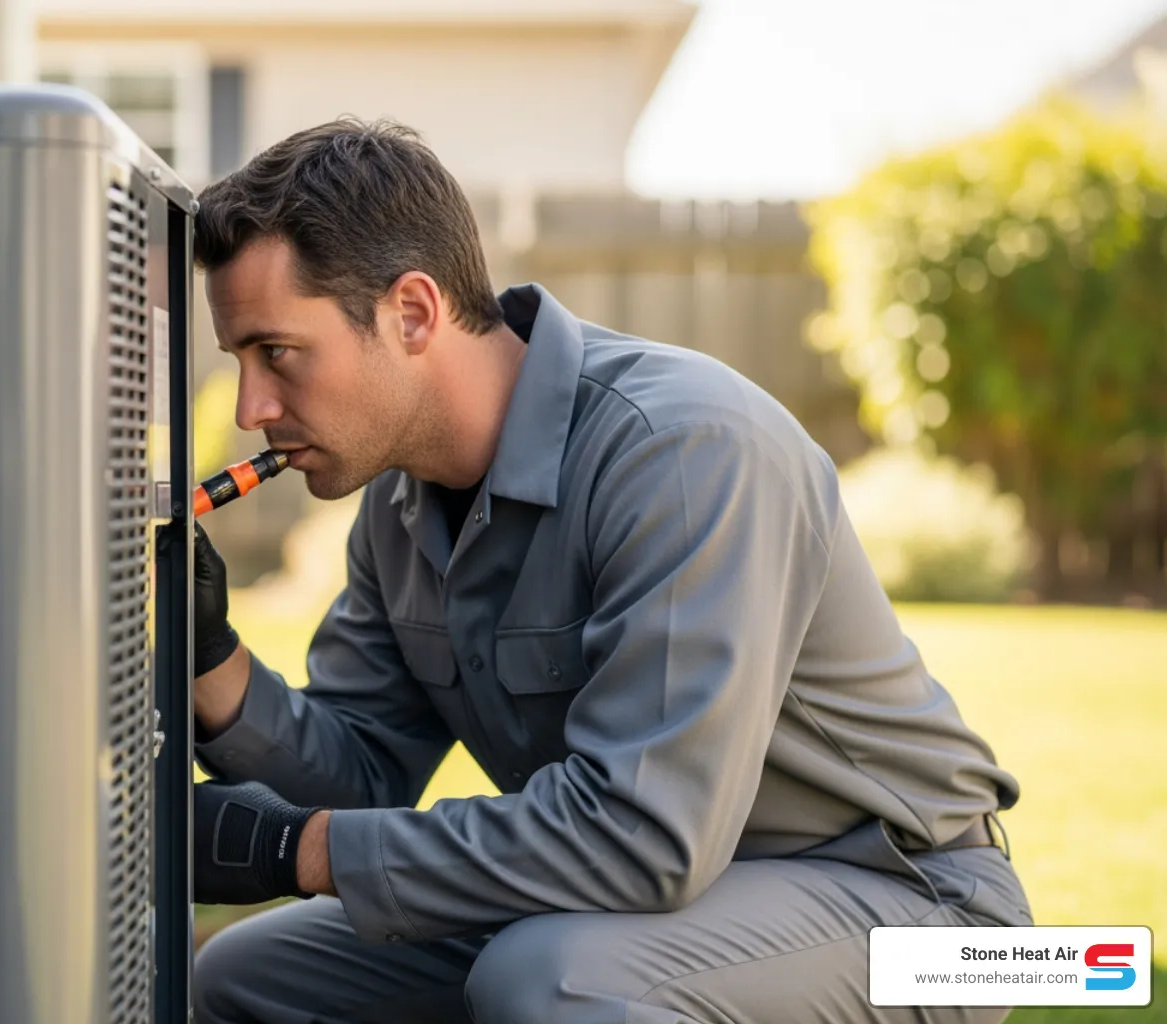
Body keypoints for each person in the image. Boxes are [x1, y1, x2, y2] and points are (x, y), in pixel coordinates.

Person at [186, 117, 1031, 1024]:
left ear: (413, 313)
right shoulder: (399, 509)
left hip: (930, 915)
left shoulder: (684, 451)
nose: (250, 408)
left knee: (553, 978)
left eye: (277, 353)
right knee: (244, 974)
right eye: (239, 360)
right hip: (652, 903)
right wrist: (208, 655)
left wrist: (302, 850)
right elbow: (359, 779)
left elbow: (643, 833)